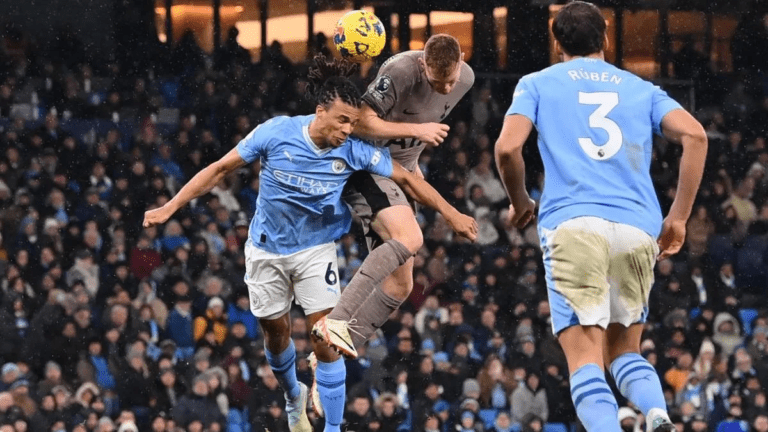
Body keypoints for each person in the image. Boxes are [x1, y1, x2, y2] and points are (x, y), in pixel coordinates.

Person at [143, 55, 477, 432]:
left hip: (316, 251)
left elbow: (408, 179)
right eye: (342, 120)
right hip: (266, 250)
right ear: (320, 112)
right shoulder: (276, 132)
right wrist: (171, 206)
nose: (348, 130)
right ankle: (293, 396)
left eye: (353, 122)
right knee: (276, 335)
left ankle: (332, 428)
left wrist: (450, 213)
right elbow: (220, 169)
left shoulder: (354, 150)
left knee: (326, 341)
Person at [493, 2, 707, 431]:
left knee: (585, 359)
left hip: (573, 225)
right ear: (606, 37)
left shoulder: (537, 83)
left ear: (557, 43)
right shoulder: (641, 88)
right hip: (636, 227)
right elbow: (696, 136)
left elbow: (507, 148)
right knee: (625, 351)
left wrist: (520, 201)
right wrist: (679, 217)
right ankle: (658, 415)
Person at [313, 33, 475, 357]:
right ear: (423, 64)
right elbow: (360, 123)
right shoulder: (401, 71)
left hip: (400, 170)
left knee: (401, 285)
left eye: (450, 81)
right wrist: (417, 130)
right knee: (410, 237)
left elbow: (409, 157)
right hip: (366, 163)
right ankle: (336, 321)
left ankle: (328, 356)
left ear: (461, 64)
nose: (445, 89)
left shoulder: (466, 80)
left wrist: (423, 181)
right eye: (437, 81)